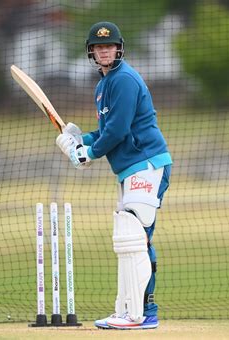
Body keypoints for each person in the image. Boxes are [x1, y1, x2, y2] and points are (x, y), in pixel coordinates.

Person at [56, 21, 172, 330]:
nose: (104, 50)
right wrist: (82, 141)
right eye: (98, 46)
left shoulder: (124, 80)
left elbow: (119, 131)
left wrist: (87, 154)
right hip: (131, 168)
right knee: (133, 237)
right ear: (91, 52)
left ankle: (137, 314)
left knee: (134, 237)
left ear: (118, 48)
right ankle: (139, 311)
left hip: (146, 164)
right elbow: (108, 131)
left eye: (109, 46)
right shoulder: (103, 86)